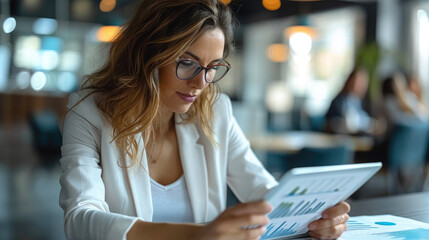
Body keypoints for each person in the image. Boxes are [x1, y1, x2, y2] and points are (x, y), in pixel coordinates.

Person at [59, 1, 350, 239]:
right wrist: (198, 235)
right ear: (148, 54)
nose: (201, 83)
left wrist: (316, 216)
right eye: (187, 63)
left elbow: (263, 191)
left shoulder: (216, 111)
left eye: (212, 68)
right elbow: (81, 218)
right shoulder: (90, 113)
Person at [325, 68, 375, 135]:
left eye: (363, 82)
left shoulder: (361, 102)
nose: (361, 85)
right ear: (350, 81)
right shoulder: (339, 101)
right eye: (359, 82)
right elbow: (328, 124)